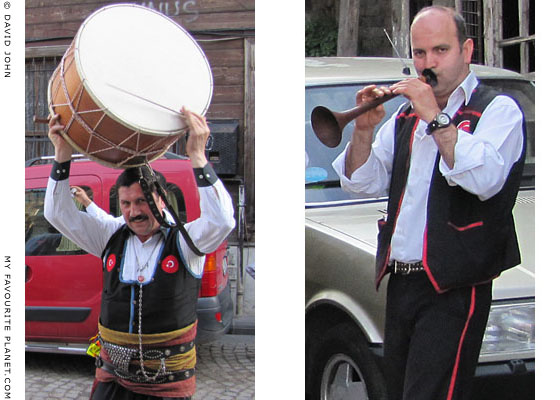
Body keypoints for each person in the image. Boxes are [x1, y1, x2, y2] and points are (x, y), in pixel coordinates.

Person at [332, 6, 525, 400]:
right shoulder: (405, 117)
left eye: (440, 51)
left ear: (467, 50)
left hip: (455, 284)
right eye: (419, 54)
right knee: (400, 392)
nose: (428, 63)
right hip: (402, 282)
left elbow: (485, 180)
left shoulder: (498, 109)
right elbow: (359, 182)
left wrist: (435, 117)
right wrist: (364, 132)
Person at [45, 106, 236, 400]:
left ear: (161, 198)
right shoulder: (110, 236)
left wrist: (197, 156)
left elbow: (222, 220)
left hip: (166, 386)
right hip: (112, 379)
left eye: (141, 201)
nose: (133, 212)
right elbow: (58, 213)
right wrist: (62, 154)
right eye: (125, 204)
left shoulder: (185, 241)